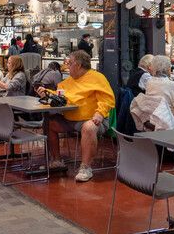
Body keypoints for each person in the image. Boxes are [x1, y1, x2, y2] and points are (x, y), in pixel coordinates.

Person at [37, 50, 115, 182]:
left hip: (92, 118)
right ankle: (56, 160)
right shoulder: (68, 81)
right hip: (70, 118)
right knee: (50, 123)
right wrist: (47, 93)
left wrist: (100, 114)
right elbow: (60, 96)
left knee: (89, 128)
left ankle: (86, 167)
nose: (67, 66)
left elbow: (107, 99)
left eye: (69, 63)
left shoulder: (98, 78)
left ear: (78, 65)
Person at [130, 55, 174, 131]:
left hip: (152, 120)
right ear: (168, 69)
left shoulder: (150, 82)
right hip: (168, 123)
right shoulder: (172, 85)